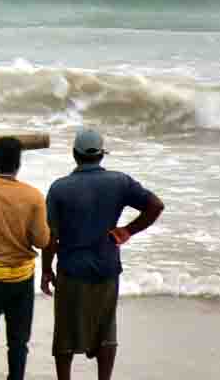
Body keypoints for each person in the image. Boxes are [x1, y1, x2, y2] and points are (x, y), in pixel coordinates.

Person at [41, 129, 164, 380]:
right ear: (101, 155)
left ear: (74, 155)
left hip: (71, 269)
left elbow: (50, 236)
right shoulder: (119, 182)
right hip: (107, 266)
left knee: (65, 331)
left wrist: (46, 270)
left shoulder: (60, 188)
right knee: (106, 329)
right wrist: (128, 230)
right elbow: (156, 205)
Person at [0, 136, 50, 380]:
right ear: (19, 163)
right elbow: (42, 241)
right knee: (18, 343)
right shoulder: (33, 196)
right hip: (20, 278)